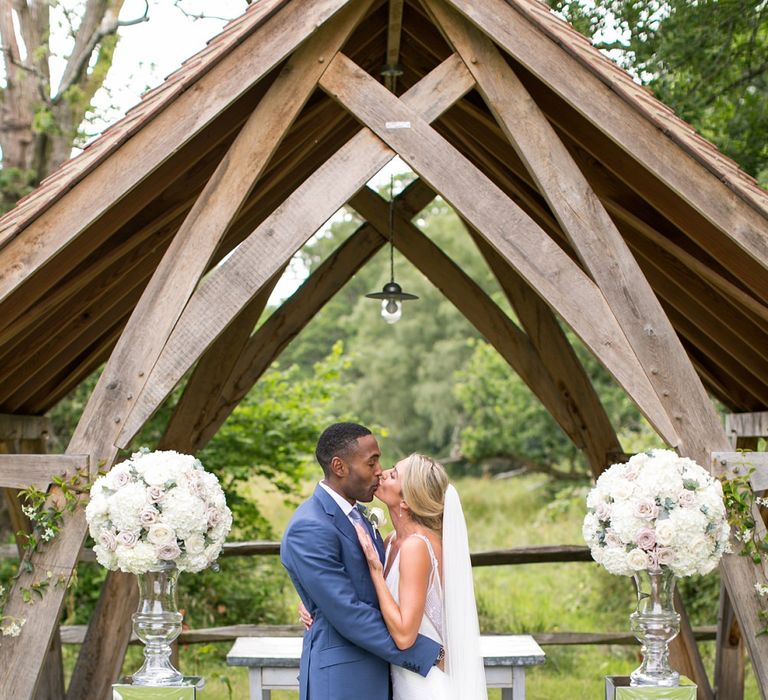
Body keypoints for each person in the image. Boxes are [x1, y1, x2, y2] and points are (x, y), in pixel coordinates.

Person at [280, 423, 442, 700]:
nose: (379, 471)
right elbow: (349, 613)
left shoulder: (360, 516)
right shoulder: (310, 526)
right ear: (339, 467)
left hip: (386, 673)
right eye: (372, 462)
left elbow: (360, 587)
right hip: (345, 680)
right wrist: (430, 653)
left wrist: (316, 602)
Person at [355, 453, 487, 700]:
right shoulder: (392, 541)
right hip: (404, 681)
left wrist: (375, 571)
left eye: (393, 474)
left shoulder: (416, 547)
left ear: (406, 501)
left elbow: (405, 636)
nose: (382, 473)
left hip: (425, 687)